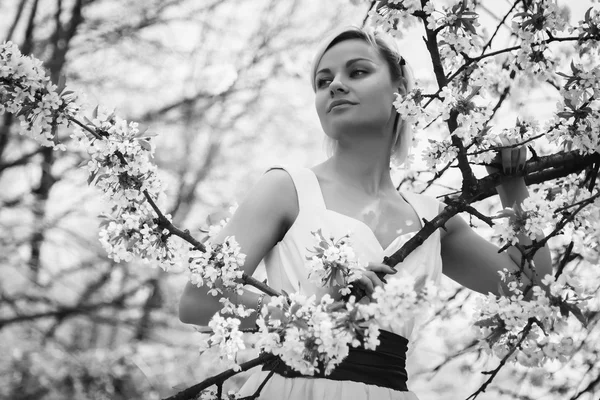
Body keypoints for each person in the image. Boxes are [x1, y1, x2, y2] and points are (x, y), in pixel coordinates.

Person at [178, 26, 552, 399]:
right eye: (323, 81)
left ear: (400, 93)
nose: (335, 86)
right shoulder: (286, 188)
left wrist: (512, 183)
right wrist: (312, 314)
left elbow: (532, 286)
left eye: (357, 72)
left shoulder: (433, 219)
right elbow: (198, 302)